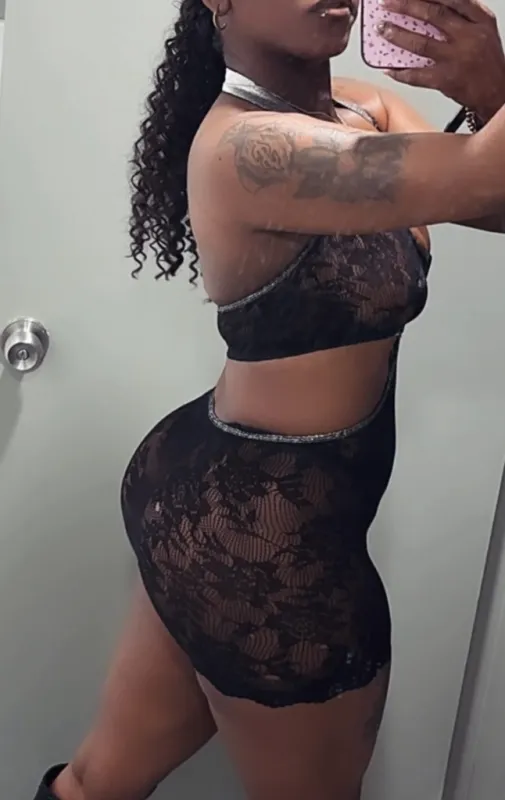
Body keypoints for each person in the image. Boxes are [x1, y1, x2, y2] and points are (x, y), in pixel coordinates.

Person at [34, 1, 505, 798]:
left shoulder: (363, 108)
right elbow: (480, 172)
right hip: (266, 538)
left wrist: (488, 96)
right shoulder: (247, 149)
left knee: (98, 780)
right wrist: (493, 88)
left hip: (213, 496)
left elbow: (492, 200)